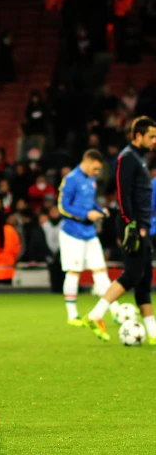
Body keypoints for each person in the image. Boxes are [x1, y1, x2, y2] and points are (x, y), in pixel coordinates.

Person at [84, 117, 156, 344]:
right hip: (133, 226)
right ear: (138, 135)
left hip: (142, 225)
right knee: (133, 274)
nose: (155, 141)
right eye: (152, 136)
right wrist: (131, 225)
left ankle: (153, 333)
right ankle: (95, 315)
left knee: (144, 278)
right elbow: (122, 195)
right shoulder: (127, 158)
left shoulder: (140, 159)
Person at [57, 150, 120, 325]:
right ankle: (72, 315)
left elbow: (88, 201)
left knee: (100, 271)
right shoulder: (71, 178)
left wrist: (99, 210)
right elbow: (62, 207)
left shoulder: (90, 179)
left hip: (89, 233)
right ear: (88, 161)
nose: (97, 172)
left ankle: (115, 311)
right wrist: (86, 214)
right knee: (74, 272)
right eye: (96, 168)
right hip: (72, 234)